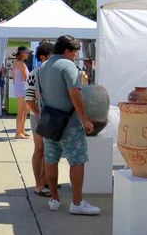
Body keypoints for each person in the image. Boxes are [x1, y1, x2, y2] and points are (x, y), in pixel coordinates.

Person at [37, 35, 100, 215]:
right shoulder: (67, 65)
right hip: (69, 123)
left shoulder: (43, 66)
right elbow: (75, 94)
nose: (75, 56)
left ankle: (54, 198)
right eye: (74, 52)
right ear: (67, 51)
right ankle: (77, 202)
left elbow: (39, 95)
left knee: (51, 159)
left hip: (49, 121)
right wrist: (85, 119)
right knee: (77, 160)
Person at [25, 42, 55, 197]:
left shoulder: (55, 73)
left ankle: (46, 180)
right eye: (52, 55)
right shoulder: (35, 73)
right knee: (39, 149)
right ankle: (38, 184)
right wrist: (40, 116)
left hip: (52, 116)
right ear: (43, 57)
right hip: (39, 117)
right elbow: (29, 99)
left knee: (49, 150)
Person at [12, 46, 32, 139]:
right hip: (23, 88)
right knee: (21, 111)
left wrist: (15, 88)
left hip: (19, 87)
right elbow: (26, 78)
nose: (28, 54)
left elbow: (14, 77)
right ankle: (18, 132)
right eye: (26, 52)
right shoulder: (21, 64)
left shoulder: (16, 63)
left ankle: (21, 130)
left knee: (24, 110)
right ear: (21, 53)